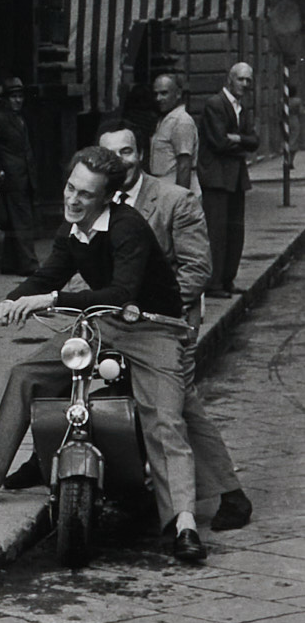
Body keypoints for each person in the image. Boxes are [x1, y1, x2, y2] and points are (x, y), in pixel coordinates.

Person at [0, 145, 205, 565]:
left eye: (85, 195)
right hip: (100, 325)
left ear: (107, 198)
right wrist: (11, 301)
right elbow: (47, 274)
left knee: (165, 419)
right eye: (71, 188)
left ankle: (184, 523)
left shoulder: (128, 228)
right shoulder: (71, 230)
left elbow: (121, 292)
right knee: (25, 373)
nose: (73, 199)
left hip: (152, 328)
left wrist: (48, 300)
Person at [93, 124, 251, 533]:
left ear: (141, 154)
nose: (120, 162)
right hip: (118, 320)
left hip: (166, 322)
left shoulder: (174, 199)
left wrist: (147, 309)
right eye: (111, 155)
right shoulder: (99, 201)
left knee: (180, 406)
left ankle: (231, 494)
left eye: (127, 152)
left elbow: (197, 268)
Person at [196, 61, 257, 297]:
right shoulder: (215, 104)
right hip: (217, 178)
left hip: (235, 178)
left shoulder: (243, 107)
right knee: (217, 232)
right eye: (241, 79)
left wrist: (238, 139)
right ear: (229, 79)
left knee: (235, 231)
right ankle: (214, 284)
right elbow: (219, 142)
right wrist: (243, 142)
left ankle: (227, 280)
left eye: (248, 80)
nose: (245, 84)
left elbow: (255, 141)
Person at [0, 76, 41, 274]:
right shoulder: (0, 119)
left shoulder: (20, 118)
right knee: (22, 222)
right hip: (12, 178)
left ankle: (10, 264)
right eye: (13, 97)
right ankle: (29, 265)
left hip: (24, 176)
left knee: (15, 221)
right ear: (5, 99)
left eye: (20, 96)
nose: (18, 100)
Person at [150, 73, 199, 193]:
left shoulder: (182, 121)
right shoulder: (166, 119)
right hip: (163, 187)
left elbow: (184, 166)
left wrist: (180, 200)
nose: (158, 98)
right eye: (156, 94)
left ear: (178, 94)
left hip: (174, 188)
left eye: (164, 93)